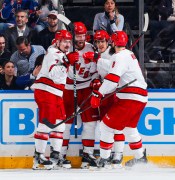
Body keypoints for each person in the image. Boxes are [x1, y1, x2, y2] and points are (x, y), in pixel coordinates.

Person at [88, 31, 148, 168]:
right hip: (140, 97)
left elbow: (112, 79)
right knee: (129, 128)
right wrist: (98, 58)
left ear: (113, 42)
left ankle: (104, 159)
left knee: (106, 126)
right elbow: (113, 68)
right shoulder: (128, 55)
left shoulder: (119, 56)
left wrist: (99, 94)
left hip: (129, 97)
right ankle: (140, 158)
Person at [31, 30, 79, 170]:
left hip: (56, 93)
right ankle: (38, 155)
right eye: (64, 41)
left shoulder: (62, 55)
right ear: (57, 42)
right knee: (47, 123)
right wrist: (66, 61)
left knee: (60, 125)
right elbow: (54, 74)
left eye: (69, 41)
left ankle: (55, 155)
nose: (68, 44)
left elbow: (65, 75)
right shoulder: (53, 54)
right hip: (46, 91)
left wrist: (69, 61)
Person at [61, 22, 99, 169]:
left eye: (83, 35)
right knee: (65, 123)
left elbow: (96, 69)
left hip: (86, 88)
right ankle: (60, 154)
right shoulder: (66, 47)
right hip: (68, 87)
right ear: (73, 36)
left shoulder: (91, 48)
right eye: (78, 35)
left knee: (90, 123)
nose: (81, 38)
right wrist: (67, 60)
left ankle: (87, 154)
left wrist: (95, 80)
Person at [92, 30, 125, 168]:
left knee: (117, 125)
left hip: (116, 93)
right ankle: (108, 153)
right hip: (105, 94)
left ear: (108, 42)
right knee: (105, 125)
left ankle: (118, 154)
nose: (100, 44)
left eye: (102, 41)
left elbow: (114, 73)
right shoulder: (99, 55)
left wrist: (97, 60)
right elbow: (97, 72)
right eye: (98, 42)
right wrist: (95, 81)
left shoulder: (114, 55)